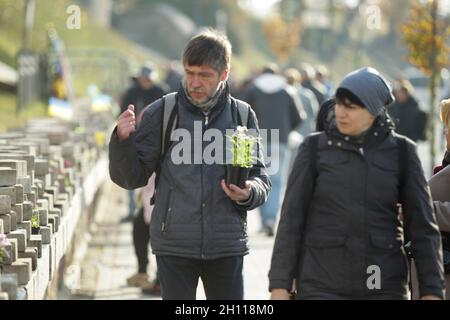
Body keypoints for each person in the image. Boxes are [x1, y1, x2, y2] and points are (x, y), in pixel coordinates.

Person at [109, 29, 271, 300]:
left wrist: (250, 192)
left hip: (226, 245)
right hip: (174, 245)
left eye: (204, 75)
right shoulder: (164, 112)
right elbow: (131, 178)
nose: (194, 82)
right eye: (190, 73)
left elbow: (260, 177)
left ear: (224, 74)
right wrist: (121, 141)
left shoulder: (241, 115)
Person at [268, 67, 445, 300]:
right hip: (321, 284)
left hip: (382, 284)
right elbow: (291, 220)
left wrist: (432, 291)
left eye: (351, 107)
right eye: (339, 104)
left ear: (373, 110)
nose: (341, 112)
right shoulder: (313, 149)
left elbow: (423, 226)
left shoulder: (402, 152)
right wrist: (279, 285)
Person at [242, 63, 304, 237]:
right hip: (280, 140)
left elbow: (242, 114)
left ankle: (263, 221)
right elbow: (299, 116)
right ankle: (270, 220)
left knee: (256, 179)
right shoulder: (286, 91)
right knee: (276, 182)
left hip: (256, 140)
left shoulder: (253, 90)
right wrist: (286, 129)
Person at [119, 63, 168, 223]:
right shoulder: (131, 93)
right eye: (144, 78)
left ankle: (155, 210)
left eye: (149, 79)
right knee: (132, 175)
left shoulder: (161, 92)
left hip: (156, 141)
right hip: (134, 138)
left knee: (155, 179)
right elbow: (122, 114)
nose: (146, 81)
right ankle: (132, 210)